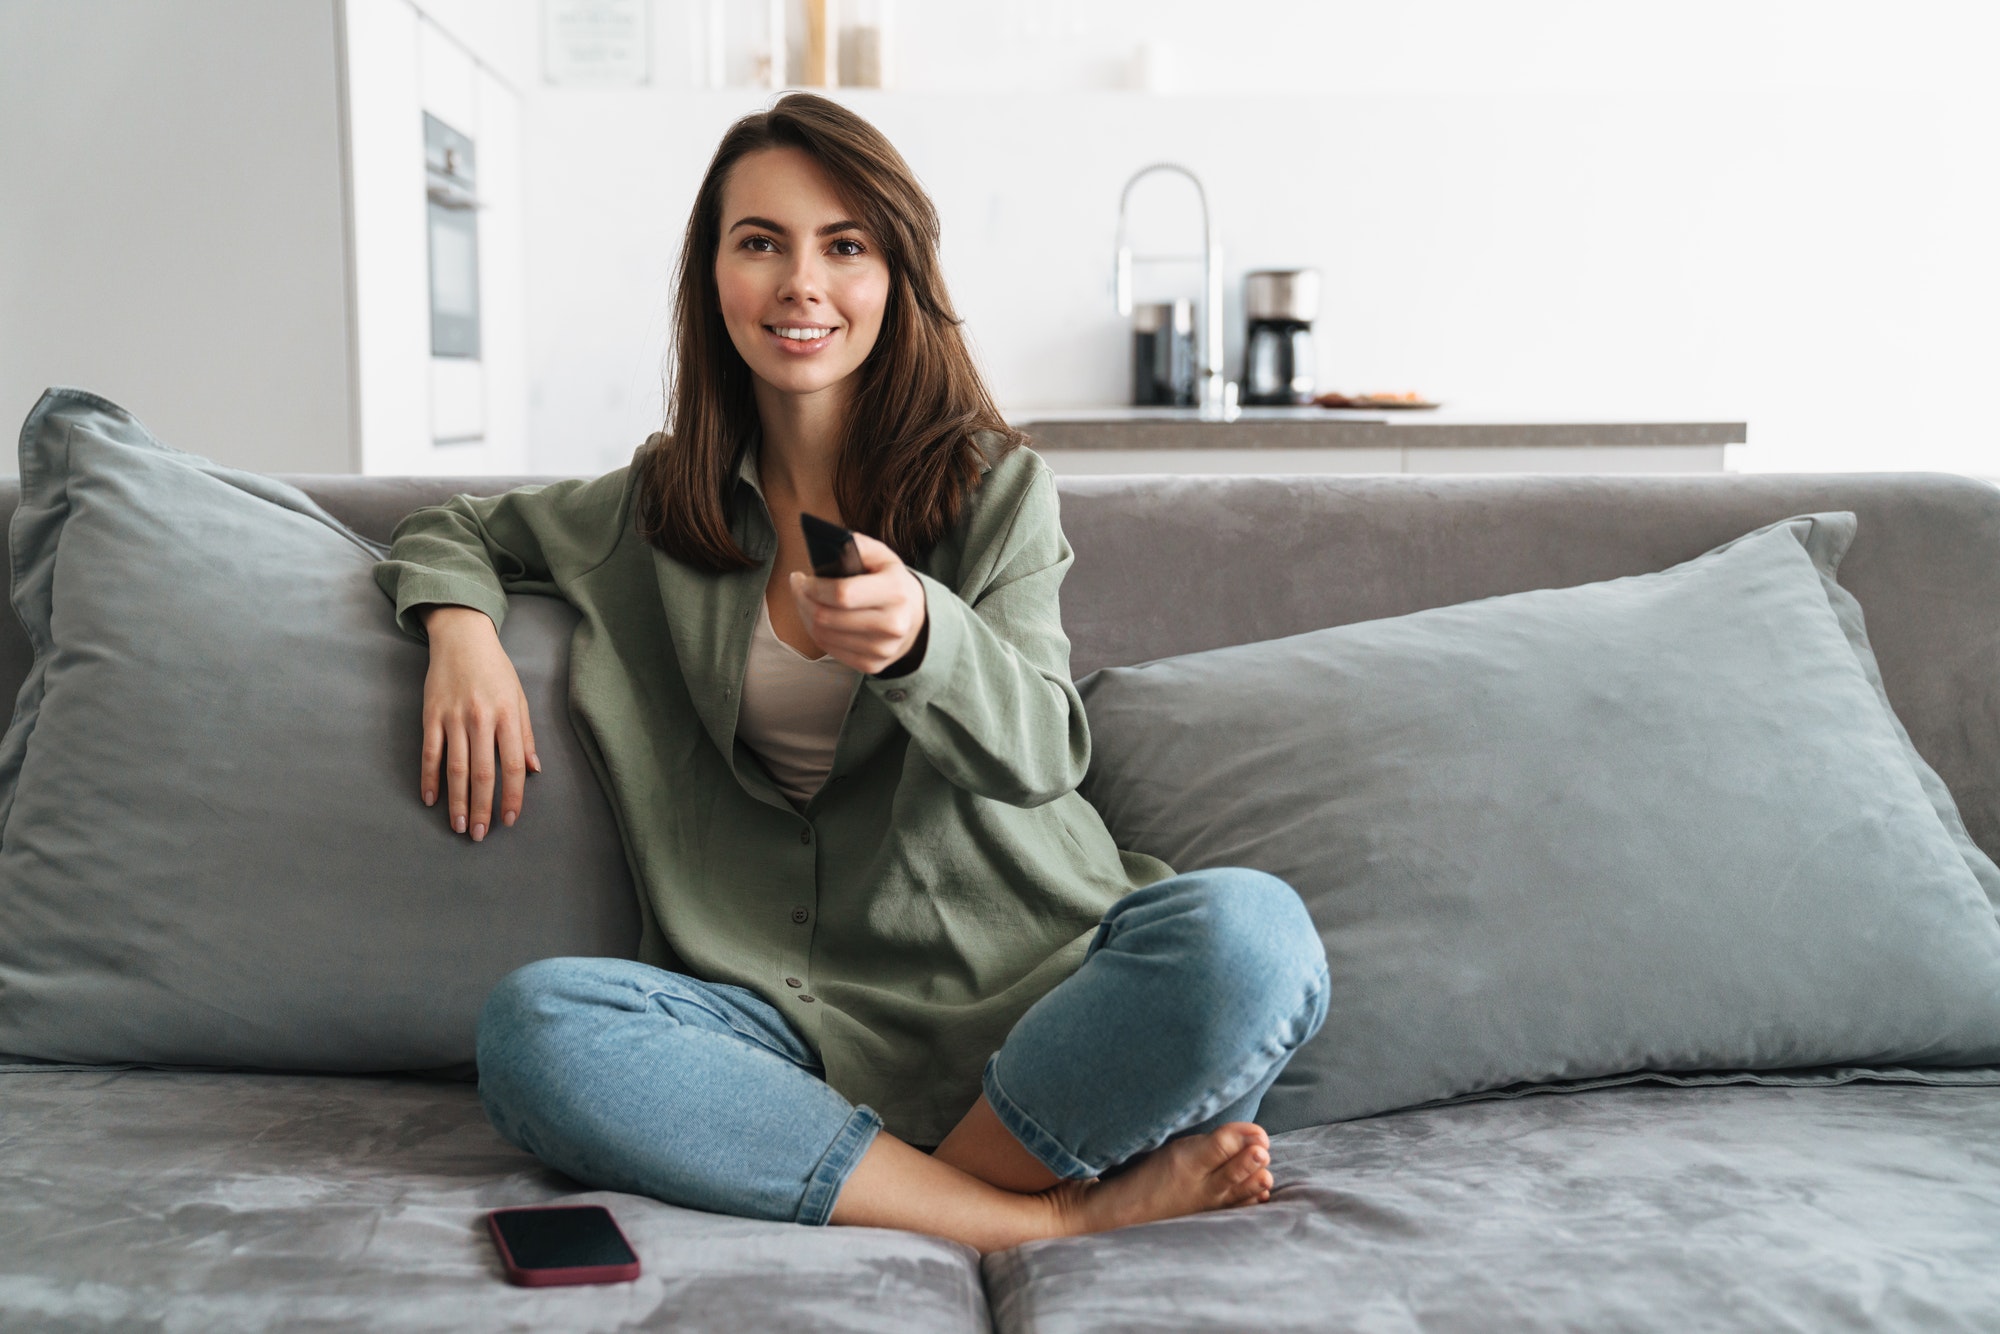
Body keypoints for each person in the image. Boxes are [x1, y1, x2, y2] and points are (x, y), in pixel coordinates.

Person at [373, 92, 1328, 1255]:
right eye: (760, 242)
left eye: (844, 246)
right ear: (711, 275)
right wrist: (461, 634)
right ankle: (1030, 1215)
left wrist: (926, 635)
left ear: (895, 275)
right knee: (538, 1029)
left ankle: (915, 1192)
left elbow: (1041, 746)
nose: (800, 284)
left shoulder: (994, 490)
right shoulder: (652, 506)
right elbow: (451, 530)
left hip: (1040, 989)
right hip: (783, 1030)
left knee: (1251, 935)